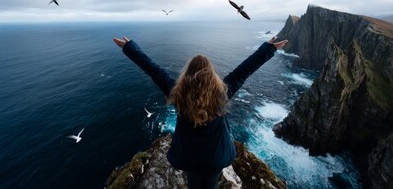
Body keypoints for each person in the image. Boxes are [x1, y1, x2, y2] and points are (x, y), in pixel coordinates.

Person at [113, 35, 288, 189]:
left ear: (187, 74)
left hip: (190, 159)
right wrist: (269, 48)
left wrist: (130, 48)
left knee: (194, 184)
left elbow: (153, 69)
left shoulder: (177, 94)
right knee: (210, 184)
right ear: (211, 75)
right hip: (215, 159)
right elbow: (245, 70)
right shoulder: (222, 94)